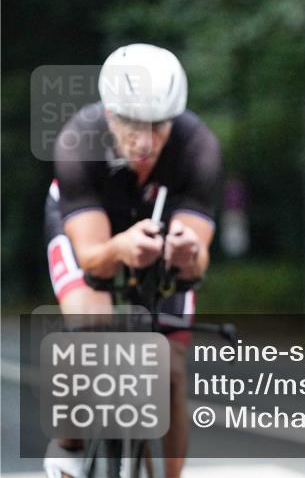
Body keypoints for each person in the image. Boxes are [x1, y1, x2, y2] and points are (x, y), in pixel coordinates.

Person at [43, 43, 222, 478]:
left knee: (172, 372)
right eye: (131, 125)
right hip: (92, 233)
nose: (144, 142)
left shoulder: (198, 146)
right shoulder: (77, 140)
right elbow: (92, 262)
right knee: (92, 331)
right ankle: (70, 440)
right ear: (108, 115)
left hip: (156, 236)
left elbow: (195, 268)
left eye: (158, 127)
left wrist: (186, 253)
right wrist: (121, 248)